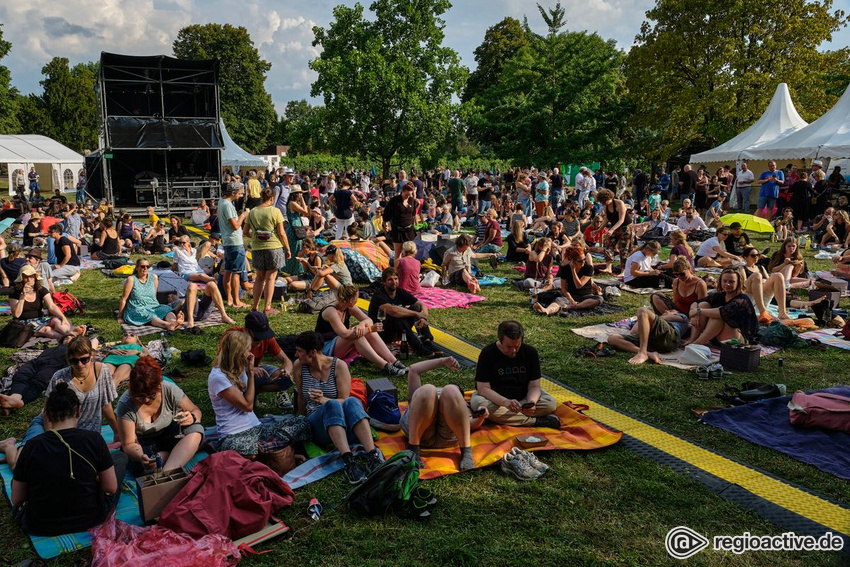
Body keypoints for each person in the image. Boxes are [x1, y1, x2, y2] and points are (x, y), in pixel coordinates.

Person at [7, 382, 127, 536]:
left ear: (47, 415)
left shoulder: (32, 446)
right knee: (120, 457)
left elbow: (17, 499)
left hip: (39, 525)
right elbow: (110, 488)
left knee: (18, 479)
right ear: (78, 411)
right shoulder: (94, 440)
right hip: (91, 518)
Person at [292, 331, 382, 484]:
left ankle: (372, 456)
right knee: (332, 404)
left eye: (299, 351)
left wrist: (323, 399)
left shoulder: (338, 366)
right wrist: (300, 422)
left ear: (312, 352)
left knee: (352, 402)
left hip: (342, 424)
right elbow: (301, 397)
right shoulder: (299, 367)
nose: (296, 355)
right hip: (318, 425)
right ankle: (348, 461)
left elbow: (344, 400)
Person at [207, 330, 310, 459]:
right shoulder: (218, 377)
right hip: (234, 435)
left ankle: (265, 453)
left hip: (257, 430)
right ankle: (277, 452)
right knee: (234, 448)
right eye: (246, 350)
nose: (249, 354)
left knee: (302, 422)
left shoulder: (239, 368)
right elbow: (248, 405)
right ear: (237, 353)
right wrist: (250, 374)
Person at [118, 357, 203, 476]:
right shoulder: (126, 404)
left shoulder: (169, 390)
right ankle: (174, 455)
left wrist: (192, 417)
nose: (146, 400)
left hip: (168, 434)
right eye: (140, 396)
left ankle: (167, 472)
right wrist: (140, 456)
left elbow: (196, 410)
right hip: (144, 443)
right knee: (142, 466)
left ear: (159, 386)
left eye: (151, 395)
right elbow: (129, 444)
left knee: (196, 430)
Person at [402, 357, 486, 470]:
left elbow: (470, 424)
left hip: (446, 436)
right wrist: (442, 361)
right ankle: (413, 450)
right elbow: (413, 369)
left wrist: (481, 417)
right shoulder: (425, 394)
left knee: (450, 390)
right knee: (427, 390)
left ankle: (466, 451)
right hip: (419, 434)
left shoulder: (458, 401)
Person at [470, 321, 559, 428]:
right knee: (478, 404)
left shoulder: (530, 352)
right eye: (509, 347)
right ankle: (535, 421)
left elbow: (534, 386)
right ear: (500, 340)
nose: (513, 351)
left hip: (523, 399)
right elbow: (483, 389)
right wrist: (505, 402)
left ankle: (499, 419)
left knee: (550, 403)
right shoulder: (487, 353)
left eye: (517, 346)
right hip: (496, 401)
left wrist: (531, 403)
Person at [315, 284, 408, 376]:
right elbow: (345, 334)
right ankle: (385, 366)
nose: (357, 299)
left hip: (338, 342)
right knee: (358, 336)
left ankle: (393, 361)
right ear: (351, 300)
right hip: (325, 347)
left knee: (365, 331)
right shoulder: (331, 311)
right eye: (357, 297)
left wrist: (362, 324)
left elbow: (369, 320)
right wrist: (370, 329)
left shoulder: (348, 307)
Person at [368, 267, 440, 357]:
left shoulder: (400, 292)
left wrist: (422, 317)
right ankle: (417, 346)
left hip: (399, 331)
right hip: (383, 333)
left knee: (416, 307)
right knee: (398, 316)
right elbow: (393, 311)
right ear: (384, 282)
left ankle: (426, 341)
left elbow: (420, 304)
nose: (394, 282)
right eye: (390, 280)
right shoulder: (379, 295)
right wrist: (416, 314)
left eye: (395, 279)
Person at [244, 186, 291, 314]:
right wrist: (287, 248)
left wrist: (255, 237)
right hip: (274, 247)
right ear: (272, 198)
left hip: (257, 248)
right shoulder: (275, 211)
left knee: (259, 278)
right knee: (271, 278)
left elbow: (245, 231)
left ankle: (255, 306)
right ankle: (267, 307)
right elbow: (281, 233)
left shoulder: (253, 211)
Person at [608, 303, 690, 365]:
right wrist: (643, 319)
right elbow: (633, 331)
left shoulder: (682, 316)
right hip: (651, 341)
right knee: (612, 338)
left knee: (642, 310)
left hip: (670, 338)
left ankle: (642, 353)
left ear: (676, 312)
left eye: (670, 311)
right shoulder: (653, 321)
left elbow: (667, 318)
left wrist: (647, 316)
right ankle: (648, 354)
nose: (666, 311)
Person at [118, 259, 185, 331]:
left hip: (152, 305)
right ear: (137, 268)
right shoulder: (131, 279)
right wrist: (120, 317)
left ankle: (174, 322)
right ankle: (167, 325)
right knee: (150, 315)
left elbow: (154, 296)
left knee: (166, 309)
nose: (145, 268)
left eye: (148, 266)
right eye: (142, 266)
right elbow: (124, 299)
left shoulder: (154, 277)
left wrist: (158, 307)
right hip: (137, 307)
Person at [10, 265, 74, 340]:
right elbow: (16, 314)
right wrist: (22, 297)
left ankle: (72, 335)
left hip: (40, 319)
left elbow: (51, 306)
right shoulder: (15, 292)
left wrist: (63, 317)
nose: (28, 280)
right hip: (25, 323)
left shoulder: (40, 290)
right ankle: (69, 340)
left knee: (56, 320)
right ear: (21, 279)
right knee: (47, 330)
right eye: (25, 277)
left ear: (35, 278)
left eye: (31, 277)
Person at [740, 246, 792, 323]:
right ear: (746, 257)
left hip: (761, 292)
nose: (756, 257)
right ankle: (762, 311)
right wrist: (760, 280)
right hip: (749, 293)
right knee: (757, 276)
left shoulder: (761, 267)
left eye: (757, 255)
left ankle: (782, 312)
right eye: (753, 255)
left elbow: (769, 280)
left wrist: (761, 281)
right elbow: (743, 285)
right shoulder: (742, 268)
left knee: (778, 275)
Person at [219, 182, 250, 308]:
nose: (241, 195)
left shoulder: (221, 202)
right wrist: (243, 215)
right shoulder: (228, 205)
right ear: (233, 193)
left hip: (227, 242)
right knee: (236, 273)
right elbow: (236, 225)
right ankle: (237, 301)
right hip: (235, 243)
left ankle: (230, 299)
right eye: (240, 193)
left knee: (228, 271)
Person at [384, 181, 418, 259]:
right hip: (397, 230)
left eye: (410, 195)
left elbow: (413, 214)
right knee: (398, 254)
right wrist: (386, 223)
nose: (408, 196)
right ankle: (397, 270)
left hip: (409, 230)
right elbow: (387, 214)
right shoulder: (394, 201)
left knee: (410, 253)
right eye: (406, 194)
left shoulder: (412, 200)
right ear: (402, 191)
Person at [284, 185, 310, 276]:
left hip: (297, 228)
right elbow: (305, 212)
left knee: (297, 249)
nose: (301, 195)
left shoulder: (293, 203)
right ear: (295, 194)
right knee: (295, 249)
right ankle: (293, 270)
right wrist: (302, 200)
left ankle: (295, 269)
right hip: (294, 230)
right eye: (299, 193)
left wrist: (301, 199)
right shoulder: (292, 203)